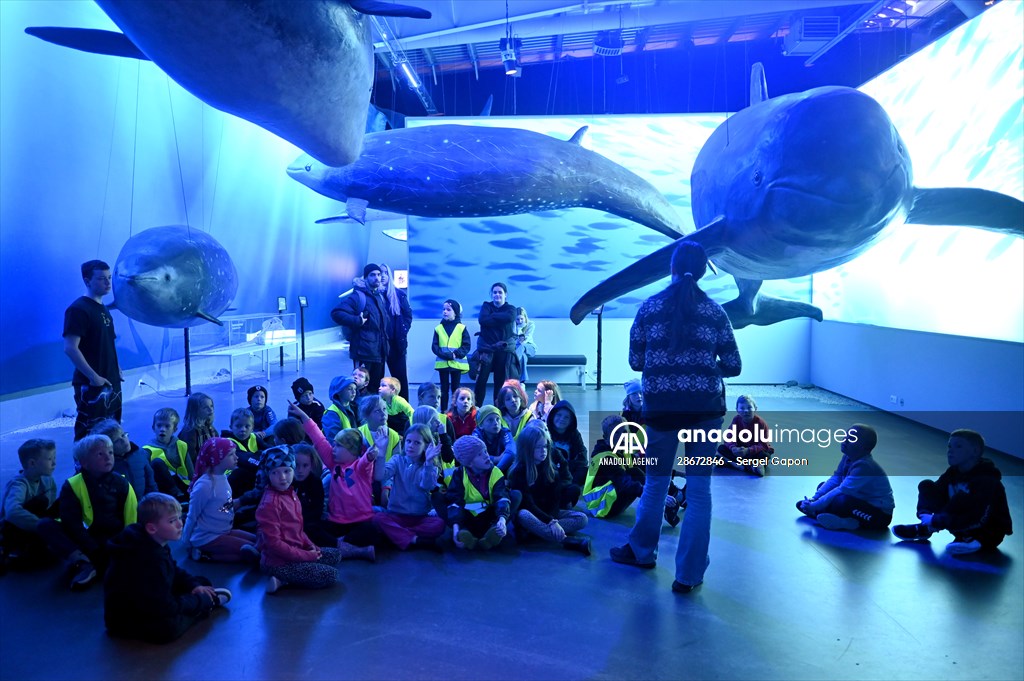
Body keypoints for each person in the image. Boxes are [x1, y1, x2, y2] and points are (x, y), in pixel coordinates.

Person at [610, 240, 741, 596]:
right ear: (703, 270)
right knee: (699, 492)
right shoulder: (716, 312)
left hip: (660, 412)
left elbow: (636, 362)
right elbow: (733, 365)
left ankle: (641, 552)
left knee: (655, 483)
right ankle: (689, 575)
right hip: (704, 412)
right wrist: (700, 365)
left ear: (671, 267)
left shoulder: (649, 309)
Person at [104, 493, 231, 643]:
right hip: (127, 620)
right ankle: (206, 605)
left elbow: (173, 569)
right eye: (172, 521)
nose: (180, 524)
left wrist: (194, 585)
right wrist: (199, 601)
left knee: (200, 581)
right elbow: (164, 606)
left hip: (146, 600)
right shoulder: (148, 559)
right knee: (168, 628)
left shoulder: (152, 541)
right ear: (152, 528)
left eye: (179, 517)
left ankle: (202, 597)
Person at [891, 429, 1013, 554]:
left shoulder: (986, 480)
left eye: (958, 446)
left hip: (987, 530)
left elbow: (977, 515)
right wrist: (927, 515)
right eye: (949, 446)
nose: (950, 450)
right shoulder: (953, 472)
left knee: (961, 498)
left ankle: (973, 540)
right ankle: (926, 527)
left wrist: (936, 520)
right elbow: (937, 493)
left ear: (975, 451)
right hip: (960, 523)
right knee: (927, 485)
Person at [290, 403, 378, 561]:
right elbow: (319, 439)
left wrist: (371, 455)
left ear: (352, 450)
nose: (333, 449)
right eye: (335, 445)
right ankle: (349, 548)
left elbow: (366, 461)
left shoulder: (360, 468)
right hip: (336, 522)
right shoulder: (333, 463)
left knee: (372, 530)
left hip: (360, 521)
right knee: (310, 529)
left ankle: (340, 546)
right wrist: (304, 416)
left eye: (338, 446)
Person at [255, 446, 343, 594]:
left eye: (287, 471)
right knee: (331, 575)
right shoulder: (269, 504)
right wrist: (307, 556)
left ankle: (285, 578)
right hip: (278, 562)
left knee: (335, 555)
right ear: (268, 474)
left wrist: (311, 546)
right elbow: (274, 545)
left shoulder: (290, 493)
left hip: (295, 551)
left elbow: (299, 530)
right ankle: (282, 578)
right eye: (275, 472)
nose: (283, 477)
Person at [57, 434, 138, 590]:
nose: (108, 457)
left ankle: (92, 566)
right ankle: (86, 562)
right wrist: (92, 548)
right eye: (100, 454)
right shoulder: (72, 485)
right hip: (85, 540)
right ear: (84, 463)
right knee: (46, 525)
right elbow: (71, 522)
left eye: (110, 452)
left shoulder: (122, 483)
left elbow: (131, 518)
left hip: (113, 537)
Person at [507, 426, 590, 555]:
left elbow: (555, 501)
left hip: (548, 514)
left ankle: (538, 533)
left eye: (545, 447)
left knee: (582, 518)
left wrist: (553, 520)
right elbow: (528, 504)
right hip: (531, 513)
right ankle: (566, 540)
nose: (543, 451)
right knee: (523, 515)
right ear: (527, 449)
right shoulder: (518, 471)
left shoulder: (551, 471)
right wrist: (550, 522)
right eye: (538, 447)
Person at [63, 260, 122, 440]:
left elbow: (109, 343)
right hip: (92, 384)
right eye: (102, 279)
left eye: (109, 278)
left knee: (112, 430)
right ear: (87, 281)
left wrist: (116, 368)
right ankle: (83, 468)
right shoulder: (78, 309)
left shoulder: (104, 309)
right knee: (90, 433)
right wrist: (92, 377)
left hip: (111, 380)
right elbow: (70, 348)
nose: (108, 283)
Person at [796, 424, 894, 531]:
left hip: (879, 515)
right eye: (846, 436)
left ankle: (850, 523)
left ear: (865, 448)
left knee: (842, 500)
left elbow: (842, 490)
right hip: (858, 500)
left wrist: (815, 506)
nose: (845, 440)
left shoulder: (865, 466)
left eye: (852, 439)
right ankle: (828, 513)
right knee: (823, 486)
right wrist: (814, 498)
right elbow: (836, 479)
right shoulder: (848, 457)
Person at [181, 437, 259, 563]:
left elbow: (221, 506)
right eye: (231, 454)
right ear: (217, 458)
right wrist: (186, 542)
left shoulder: (222, 477)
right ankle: (203, 555)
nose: (236, 457)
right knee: (251, 551)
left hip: (223, 530)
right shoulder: (204, 485)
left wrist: (228, 511)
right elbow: (192, 516)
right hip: (207, 537)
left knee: (257, 542)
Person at [373, 424, 446, 551]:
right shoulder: (397, 460)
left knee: (439, 525)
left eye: (417, 443)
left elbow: (427, 486)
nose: (411, 445)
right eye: (408, 441)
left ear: (426, 446)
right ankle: (415, 540)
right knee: (377, 517)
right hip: (396, 515)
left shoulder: (429, 465)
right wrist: (381, 454)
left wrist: (428, 463)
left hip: (420, 518)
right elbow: (379, 476)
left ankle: (398, 535)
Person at [0, 439, 62, 568]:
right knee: (41, 501)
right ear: (32, 463)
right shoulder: (19, 484)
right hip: (13, 530)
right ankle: (16, 551)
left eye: (54, 458)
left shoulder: (48, 479)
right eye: (50, 459)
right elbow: (12, 513)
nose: (54, 463)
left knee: (64, 501)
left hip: (36, 523)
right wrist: (43, 527)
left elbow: (51, 506)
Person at [445, 436, 512, 551]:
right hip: (467, 516)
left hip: (488, 515)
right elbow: (455, 501)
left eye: (485, 451)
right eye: (480, 454)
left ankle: (495, 530)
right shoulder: (459, 474)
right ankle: (463, 533)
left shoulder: (496, 472)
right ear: (470, 463)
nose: (486, 456)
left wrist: (502, 519)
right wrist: (455, 527)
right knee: (440, 499)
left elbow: (501, 498)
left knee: (514, 496)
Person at [331, 264, 390, 391]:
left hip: (379, 352)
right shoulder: (358, 297)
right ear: (365, 278)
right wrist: (357, 320)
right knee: (360, 389)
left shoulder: (378, 296)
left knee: (375, 388)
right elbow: (336, 313)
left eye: (379, 275)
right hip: (364, 352)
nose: (377, 278)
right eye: (372, 275)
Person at [582, 415, 647, 520]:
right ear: (606, 438)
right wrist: (652, 494)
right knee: (634, 475)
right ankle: (664, 501)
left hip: (612, 499)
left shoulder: (623, 450)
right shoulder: (605, 457)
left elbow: (645, 469)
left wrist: (674, 476)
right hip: (601, 507)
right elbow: (624, 482)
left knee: (637, 470)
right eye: (616, 433)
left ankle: (676, 496)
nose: (622, 436)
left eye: (624, 432)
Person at [473, 282, 517, 407]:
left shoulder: (511, 309)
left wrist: (491, 317)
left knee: (500, 382)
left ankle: (498, 409)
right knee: (481, 381)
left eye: (500, 292)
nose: (497, 295)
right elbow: (482, 320)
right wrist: (499, 318)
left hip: (503, 351)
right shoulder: (486, 306)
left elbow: (510, 317)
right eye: (495, 292)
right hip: (486, 350)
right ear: (491, 294)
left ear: (505, 295)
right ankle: (476, 409)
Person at [91, 419, 158, 500]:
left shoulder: (140, 454)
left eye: (123, 435)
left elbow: (150, 481)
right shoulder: (105, 465)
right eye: (117, 440)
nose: (124, 440)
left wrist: (153, 501)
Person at [143, 408, 192, 505]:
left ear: (175, 429)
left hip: (184, 484)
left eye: (167, 426)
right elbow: (147, 477)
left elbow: (191, 470)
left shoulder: (181, 445)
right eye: (159, 425)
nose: (162, 429)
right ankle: (176, 494)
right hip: (164, 489)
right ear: (153, 427)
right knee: (157, 462)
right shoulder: (147, 450)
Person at [379, 264, 414, 400]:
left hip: (396, 344)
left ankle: (404, 409)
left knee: (400, 378)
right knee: (377, 379)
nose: (381, 276)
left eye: (384, 273)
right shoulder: (375, 296)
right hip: (379, 345)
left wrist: (402, 330)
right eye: (378, 273)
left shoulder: (399, 295)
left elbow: (408, 315)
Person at [718, 395, 773, 477]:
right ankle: (748, 467)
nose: (746, 411)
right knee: (721, 448)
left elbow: (763, 445)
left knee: (765, 456)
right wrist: (733, 448)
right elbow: (728, 437)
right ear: (737, 410)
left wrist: (748, 450)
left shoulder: (761, 423)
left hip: (753, 452)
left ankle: (735, 464)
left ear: (755, 409)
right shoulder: (736, 420)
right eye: (742, 408)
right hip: (739, 451)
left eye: (749, 408)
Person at [432, 299, 470, 411]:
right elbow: (434, 346)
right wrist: (445, 355)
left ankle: (455, 410)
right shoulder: (438, 328)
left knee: (456, 388)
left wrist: (456, 354)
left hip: (456, 364)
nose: (445, 311)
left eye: (448, 309)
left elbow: (466, 345)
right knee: (444, 388)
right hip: (443, 364)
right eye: (443, 309)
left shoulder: (461, 328)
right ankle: (443, 411)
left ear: (456, 312)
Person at [547, 401, 588, 488]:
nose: (562, 419)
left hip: (569, 470)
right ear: (553, 415)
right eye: (559, 415)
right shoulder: (544, 432)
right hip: (550, 469)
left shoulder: (574, 434)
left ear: (571, 421)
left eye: (566, 417)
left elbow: (582, 455)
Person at [471, 404, 516, 473]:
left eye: (498, 419)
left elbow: (511, 452)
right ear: (480, 425)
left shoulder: (504, 432)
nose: (495, 423)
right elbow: (476, 455)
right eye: (490, 420)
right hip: (483, 469)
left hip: (501, 468)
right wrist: (496, 459)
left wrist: (495, 472)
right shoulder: (477, 434)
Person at [178, 392, 217, 469]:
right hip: (199, 468)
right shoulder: (189, 431)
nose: (210, 409)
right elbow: (191, 458)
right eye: (205, 407)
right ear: (195, 410)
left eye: (211, 406)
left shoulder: (209, 426)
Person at [323, 375, 359, 442]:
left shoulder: (355, 408)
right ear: (339, 392)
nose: (354, 392)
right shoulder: (331, 414)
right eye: (349, 389)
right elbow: (333, 440)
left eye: (354, 389)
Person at [513, 306, 537, 383]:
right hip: (519, 350)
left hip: (530, 348)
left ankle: (512, 362)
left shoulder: (531, 324)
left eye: (521, 319)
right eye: (517, 319)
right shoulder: (513, 325)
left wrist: (519, 329)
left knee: (522, 346)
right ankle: (522, 382)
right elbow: (513, 339)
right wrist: (517, 328)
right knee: (523, 357)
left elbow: (523, 340)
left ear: (525, 317)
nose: (519, 321)